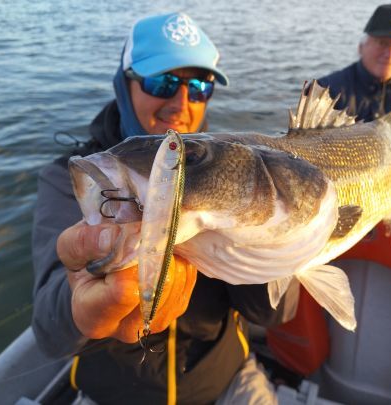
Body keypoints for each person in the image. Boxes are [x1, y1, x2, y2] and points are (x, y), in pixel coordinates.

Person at [32, 12, 299, 405]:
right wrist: (80, 302)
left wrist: (265, 231)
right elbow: (48, 331)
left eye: (199, 87)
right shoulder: (74, 178)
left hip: (224, 380)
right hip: (112, 395)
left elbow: (274, 313)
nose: (181, 103)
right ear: (125, 86)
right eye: (163, 82)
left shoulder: (229, 169)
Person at [317, 2, 391, 193]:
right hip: (341, 199)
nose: (390, 53)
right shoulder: (326, 92)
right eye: (382, 43)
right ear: (361, 46)